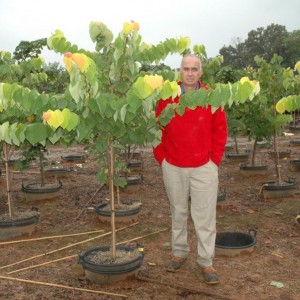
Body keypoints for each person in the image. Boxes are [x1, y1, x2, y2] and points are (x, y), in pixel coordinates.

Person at [153, 54, 227, 284]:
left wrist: (213, 160)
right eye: (186, 68)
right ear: (180, 71)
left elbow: (220, 130)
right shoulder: (167, 97)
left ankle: (206, 262)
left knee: (204, 217)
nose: (190, 73)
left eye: (195, 69)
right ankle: (179, 252)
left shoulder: (211, 97)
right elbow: (157, 130)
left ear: (201, 73)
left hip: (203, 167)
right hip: (173, 165)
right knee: (178, 212)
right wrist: (163, 159)